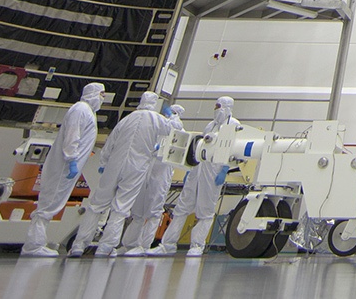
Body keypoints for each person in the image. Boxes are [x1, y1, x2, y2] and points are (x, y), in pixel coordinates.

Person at [69, 91, 168, 257]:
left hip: (114, 165)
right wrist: (170, 115)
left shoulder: (127, 119)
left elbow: (110, 142)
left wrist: (103, 163)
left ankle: (79, 245)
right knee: (121, 207)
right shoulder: (157, 119)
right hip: (136, 168)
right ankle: (105, 248)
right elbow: (175, 130)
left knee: (97, 205)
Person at [21, 82, 104, 257]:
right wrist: (72, 159)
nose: (102, 99)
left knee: (53, 202)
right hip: (64, 165)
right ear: (92, 94)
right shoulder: (81, 109)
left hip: (68, 166)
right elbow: (72, 137)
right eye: (101, 95)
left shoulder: (88, 112)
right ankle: (33, 245)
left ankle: (37, 243)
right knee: (49, 203)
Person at [151, 96, 237, 256]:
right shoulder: (210, 126)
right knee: (182, 206)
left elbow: (230, 150)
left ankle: (197, 245)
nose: (216, 109)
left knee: (205, 210)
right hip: (198, 169)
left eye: (219, 106)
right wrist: (190, 170)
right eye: (215, 106)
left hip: (213, 172)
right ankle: (167, 244)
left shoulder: (232, 125)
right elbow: (199, 147)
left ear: (227, 107)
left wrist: (224, 169)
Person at [118, 104, 185, 255]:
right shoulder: (159, 125)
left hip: (162, 172)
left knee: (154, 210)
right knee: (138, 210)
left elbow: (177, 132)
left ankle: (144, 246)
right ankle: (129, 244)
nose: (168, 115)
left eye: (173, 113)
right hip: (148, 168)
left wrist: (173, 118)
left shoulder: (177, 127)